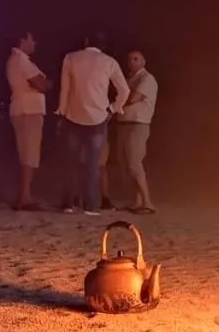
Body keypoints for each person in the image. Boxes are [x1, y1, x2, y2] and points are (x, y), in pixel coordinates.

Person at [54, 31, 128, 215]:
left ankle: (68, 204)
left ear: (86, 41)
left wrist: (61, 111)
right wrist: (112, 108)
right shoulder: (109, 62)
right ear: (103, 45)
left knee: (70, 163)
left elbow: (65, 89)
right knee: (93, 163)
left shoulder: (71, 58)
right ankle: (90, 205)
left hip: (73, 115)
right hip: (98, 118)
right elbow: (124, 90)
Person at [4, 30, 51, 210]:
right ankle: (25, 197)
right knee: (29, 154)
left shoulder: (16, 60)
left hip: (22, 109)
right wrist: (46, 83)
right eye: (32, 39)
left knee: (27, 154)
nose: (35, 43)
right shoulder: (21, 60)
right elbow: (41, 84)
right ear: (22, 40)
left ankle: (26, 195)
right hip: (28, 110)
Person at [115, 49, 158, 213]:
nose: (132, 62)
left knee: (134, 163)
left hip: (138, 124)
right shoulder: (130, 79)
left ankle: (147, 202)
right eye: (130, 59)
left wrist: (116, 104)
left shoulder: (147, 79)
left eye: (136, 59)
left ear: (143, 62)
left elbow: (133, 98)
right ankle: (138, 201)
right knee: (127, 164)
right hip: (125, 124)